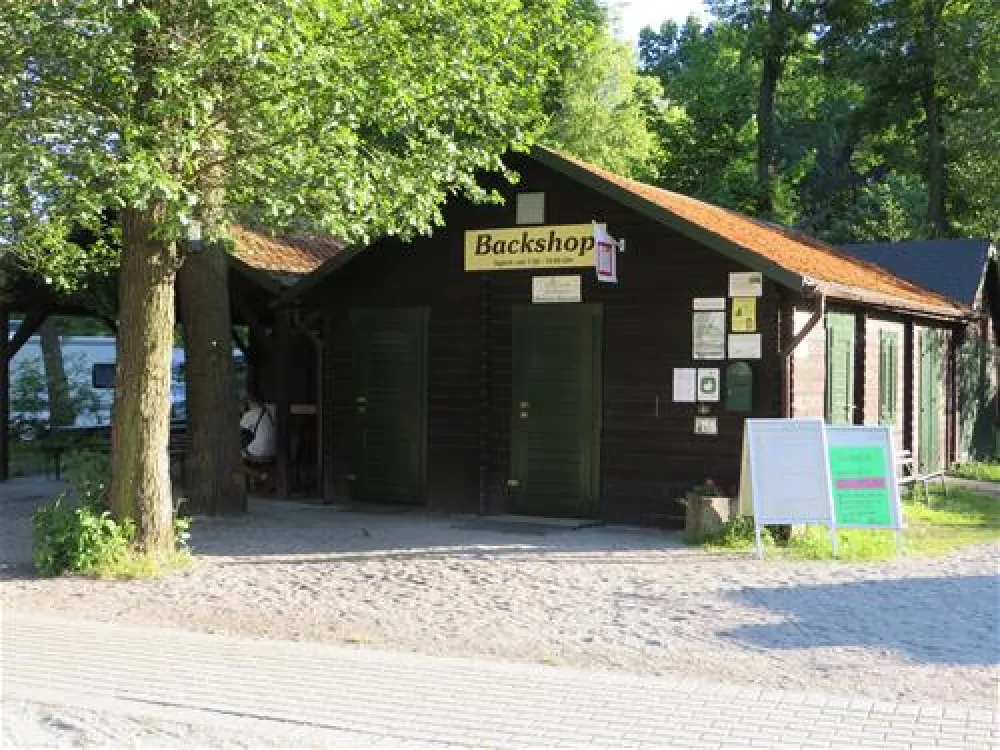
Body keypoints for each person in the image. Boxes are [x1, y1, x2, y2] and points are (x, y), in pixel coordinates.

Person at [240, 397, 276, 463]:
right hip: (274, 451)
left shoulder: (251, 414)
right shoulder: (272, 410)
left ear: (249, 403)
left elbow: (239, 430)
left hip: (260, 453)